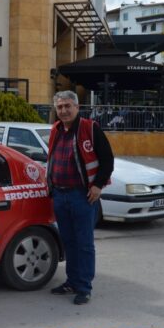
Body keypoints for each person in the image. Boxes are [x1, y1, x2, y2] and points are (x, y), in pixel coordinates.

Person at [47, 90, 114, 305]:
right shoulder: (56, 130)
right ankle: (72, 282)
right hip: (60, 195)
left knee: (84, 244)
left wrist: (97, 185)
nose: (64, 110)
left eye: (68, 106)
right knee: (69, 242)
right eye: (60, 107)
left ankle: (84, 287)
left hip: (82, 196)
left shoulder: (90, 128)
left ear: (77, 107)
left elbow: (107, 160)